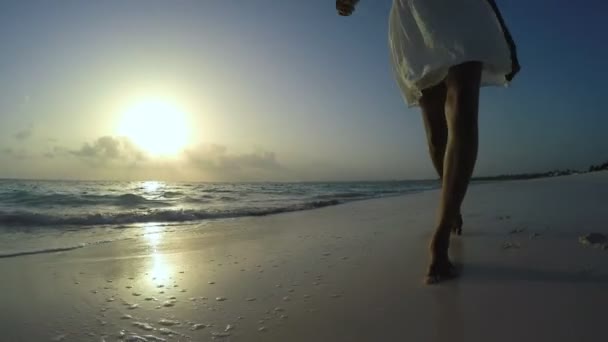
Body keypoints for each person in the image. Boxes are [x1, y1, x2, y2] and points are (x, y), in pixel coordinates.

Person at [336, 0, 520, 284]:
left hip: (456, 10)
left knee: (457, 113)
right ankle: (450, 211)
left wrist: (504, 32)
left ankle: (442, 233)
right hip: (418, 15)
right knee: (442, 128)